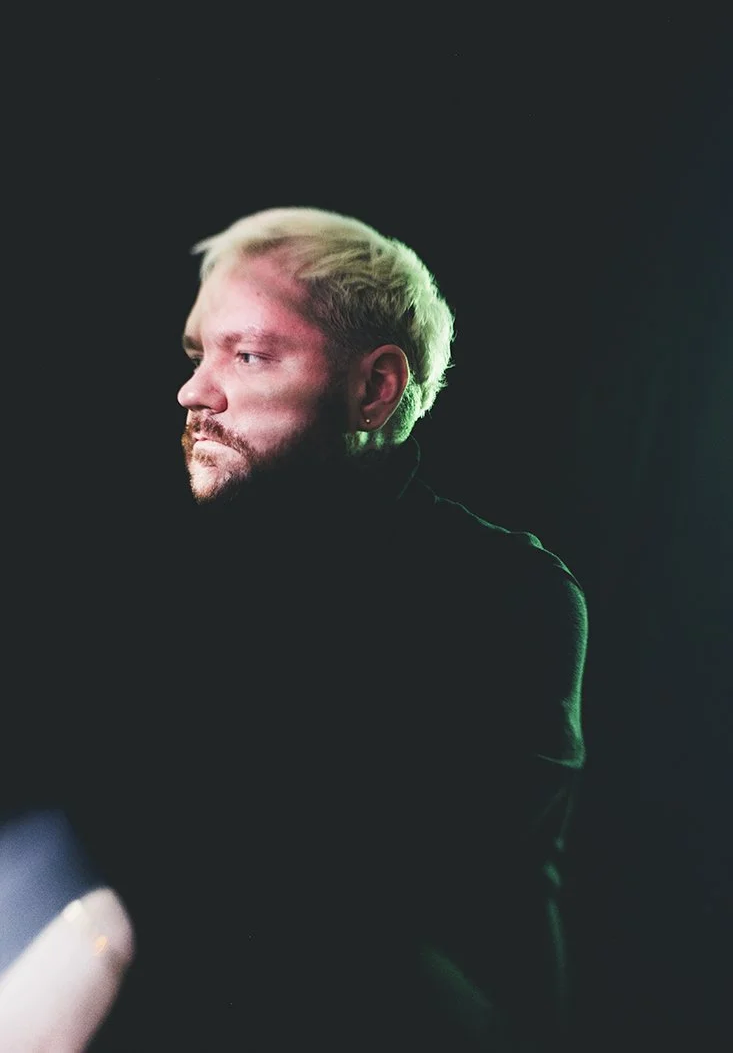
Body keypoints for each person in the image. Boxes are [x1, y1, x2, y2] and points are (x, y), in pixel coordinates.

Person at [1, 207, 588, 1051]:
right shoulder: (146, 571)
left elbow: (359, 898)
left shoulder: (504, 594)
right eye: (197, 354)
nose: (194, 392)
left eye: (247, 354)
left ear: (375, 387)